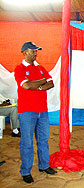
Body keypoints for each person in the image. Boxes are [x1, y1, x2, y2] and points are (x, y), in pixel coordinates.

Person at [14, 41, 57, 184]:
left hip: (42, 110)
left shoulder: (41, 67)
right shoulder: (19, 68)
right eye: (33, 51)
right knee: (26, 142)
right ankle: (26, 171)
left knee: (43, 140)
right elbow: (26, 86)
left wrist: (36, 85)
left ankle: (44, 165)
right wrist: (41, 82)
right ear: (25, 52)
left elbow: (51, 83)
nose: (35, 53)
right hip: (27, 111)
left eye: (36, 50)